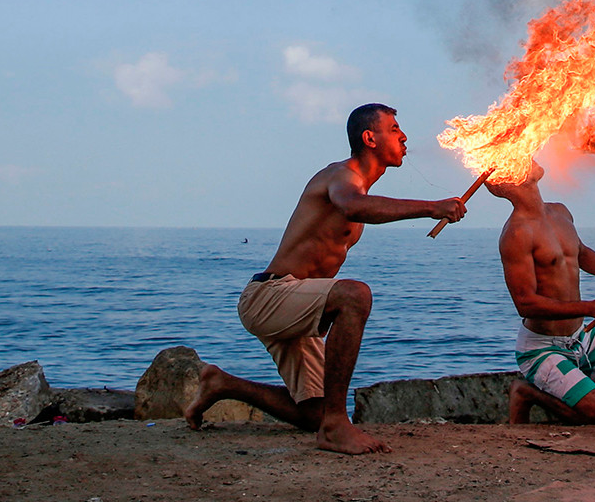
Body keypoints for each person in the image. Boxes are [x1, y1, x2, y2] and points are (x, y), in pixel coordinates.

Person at [185, 103, 468, 454]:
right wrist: (431, 207)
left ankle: (221, 384)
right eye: (394, 128)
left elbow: (359, 207)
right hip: (269, 296)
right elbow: (352, 206)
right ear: (370, 138)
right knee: (355, 295)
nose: (404, 135)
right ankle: (336, 426)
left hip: (296, 306)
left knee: (311, 415)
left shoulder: (358, 187)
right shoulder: (342, 177)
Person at [490, 161, 595, 424]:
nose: (530, 154)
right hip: (543, 348)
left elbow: (582, 254)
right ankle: (525, 393)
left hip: (583, 336)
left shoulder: (559, 212)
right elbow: (525, 304)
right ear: (510, 176)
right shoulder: (516, 234)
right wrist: (590, 308)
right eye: (521, 154)